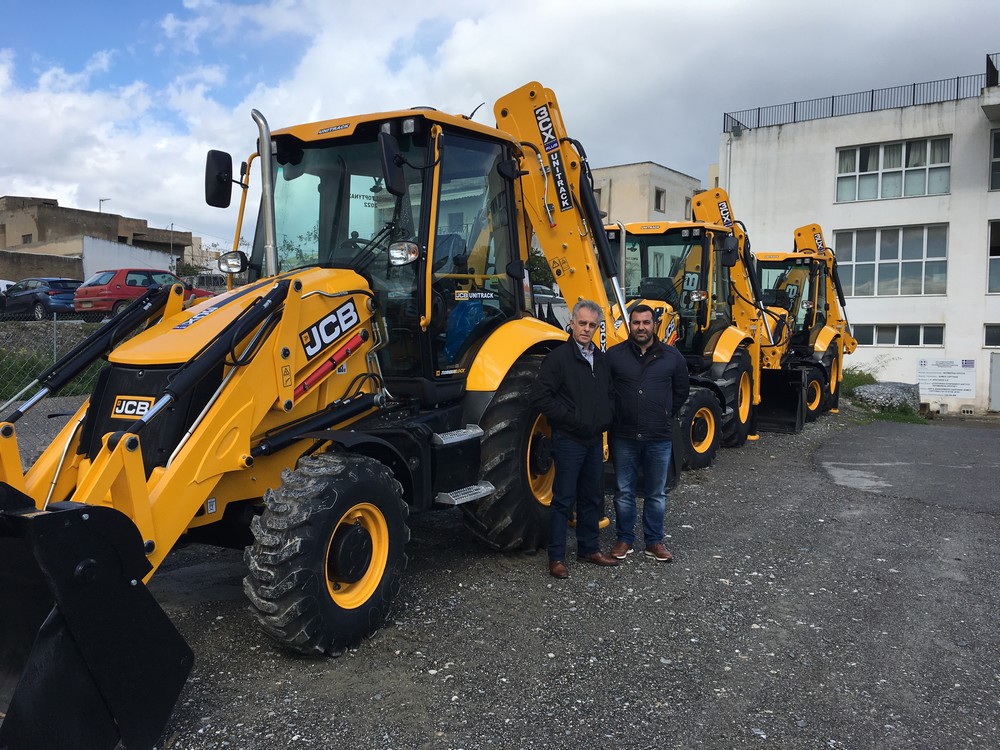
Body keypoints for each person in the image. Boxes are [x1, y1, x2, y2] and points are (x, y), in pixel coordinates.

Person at [531, 299, 618, 579]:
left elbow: (609, 393)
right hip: (569, 439)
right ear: (572, 323)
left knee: (591, 497)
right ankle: (556, 557)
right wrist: (570, 418)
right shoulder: (558, 359)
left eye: (592, 325)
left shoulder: (600, 360)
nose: (586, 329)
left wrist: (606, 417)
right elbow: (541, 396)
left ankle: (589, 549)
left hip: (593, 439)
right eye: (582, 323)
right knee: (563, 499)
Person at [606, 304, 690, 562]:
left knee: (656, 493)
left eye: (645, 322)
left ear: (654, 324)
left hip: (658, 436)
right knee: (624, 492)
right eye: (636, 323)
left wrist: (664, 413)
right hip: (624, 435)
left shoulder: (672, 357)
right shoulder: (614, 356)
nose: (640, 327)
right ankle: (624, 539)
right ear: (629, 325)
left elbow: (681, 391)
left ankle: (654, 541)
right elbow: (606, 391)